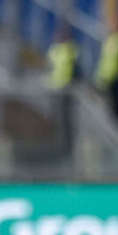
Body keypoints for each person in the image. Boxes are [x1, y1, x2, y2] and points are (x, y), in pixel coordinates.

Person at [46, 27, 79, 155]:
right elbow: (50, 68)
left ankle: (68, 146)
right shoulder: (54, 51)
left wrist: (73, 83)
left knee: (66, 119)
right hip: (55, 88)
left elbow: (76, 70)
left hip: (67, 90)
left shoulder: (71, 51)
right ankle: (59, 144)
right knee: (57, 119)